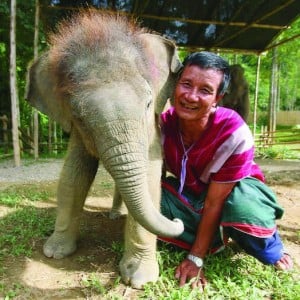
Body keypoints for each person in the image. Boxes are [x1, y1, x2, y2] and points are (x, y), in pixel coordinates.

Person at [159, 51, 293, 289]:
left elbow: (215, 202)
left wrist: (195, 257)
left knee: (242, 208)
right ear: (174, 85)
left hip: (234, 191)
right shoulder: (163, 124)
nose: (191, 96)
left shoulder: (233, 131)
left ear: (217, 98)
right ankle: (220, 234)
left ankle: (263, 241)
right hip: (194, 196)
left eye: (205, 90)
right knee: (150, 200)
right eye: (186, 84)